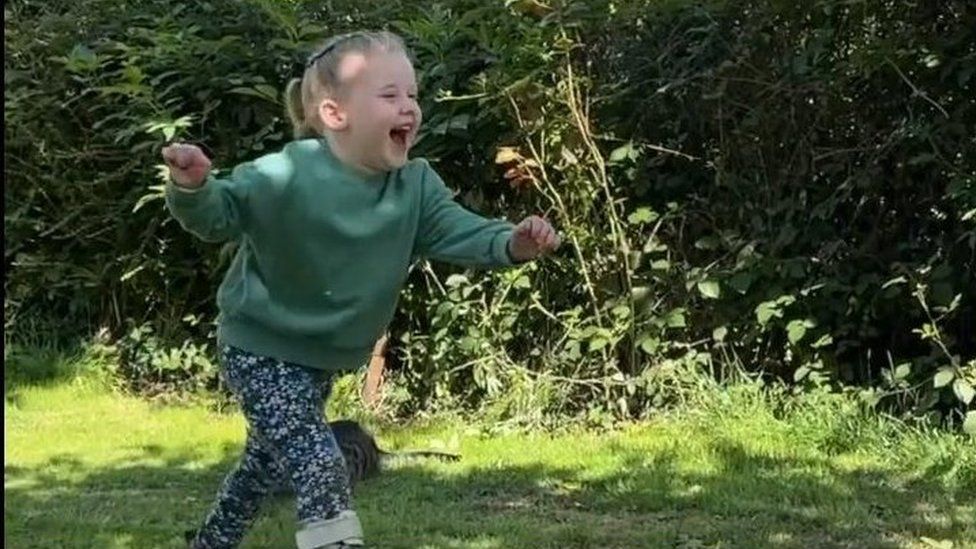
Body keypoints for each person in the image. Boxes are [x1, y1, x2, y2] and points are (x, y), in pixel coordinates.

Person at [161, 30, 560, 549]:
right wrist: (192, 187)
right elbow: (218, 215)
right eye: (390, 95)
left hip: (319, 359)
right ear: (334, 114)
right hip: (258, 348)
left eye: (413, 95)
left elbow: (465, 232)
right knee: (320, 461)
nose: (409, 108)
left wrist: (514, 242)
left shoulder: (414, 186)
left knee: (261, 466)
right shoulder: (285, 173)